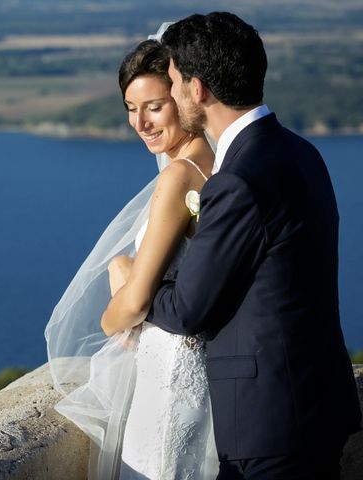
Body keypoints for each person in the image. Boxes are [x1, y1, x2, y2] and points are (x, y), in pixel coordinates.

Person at [147, 12, 362, 479]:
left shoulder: (238, 181)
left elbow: (187, 310)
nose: (170, 91)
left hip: (270, 423)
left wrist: (140, 281)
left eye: (174, 80)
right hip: (318, 400)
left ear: (198, 89)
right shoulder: (302, 152)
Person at [45, 32, 217, 479]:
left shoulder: (179, 177)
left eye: (154, 107)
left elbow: (135, 304)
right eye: (130, 110)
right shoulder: (218, 163)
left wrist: (111, 311)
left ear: (184, 96)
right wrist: (121, 264)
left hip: (169, 378)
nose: (140, 123)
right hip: (205, 376)